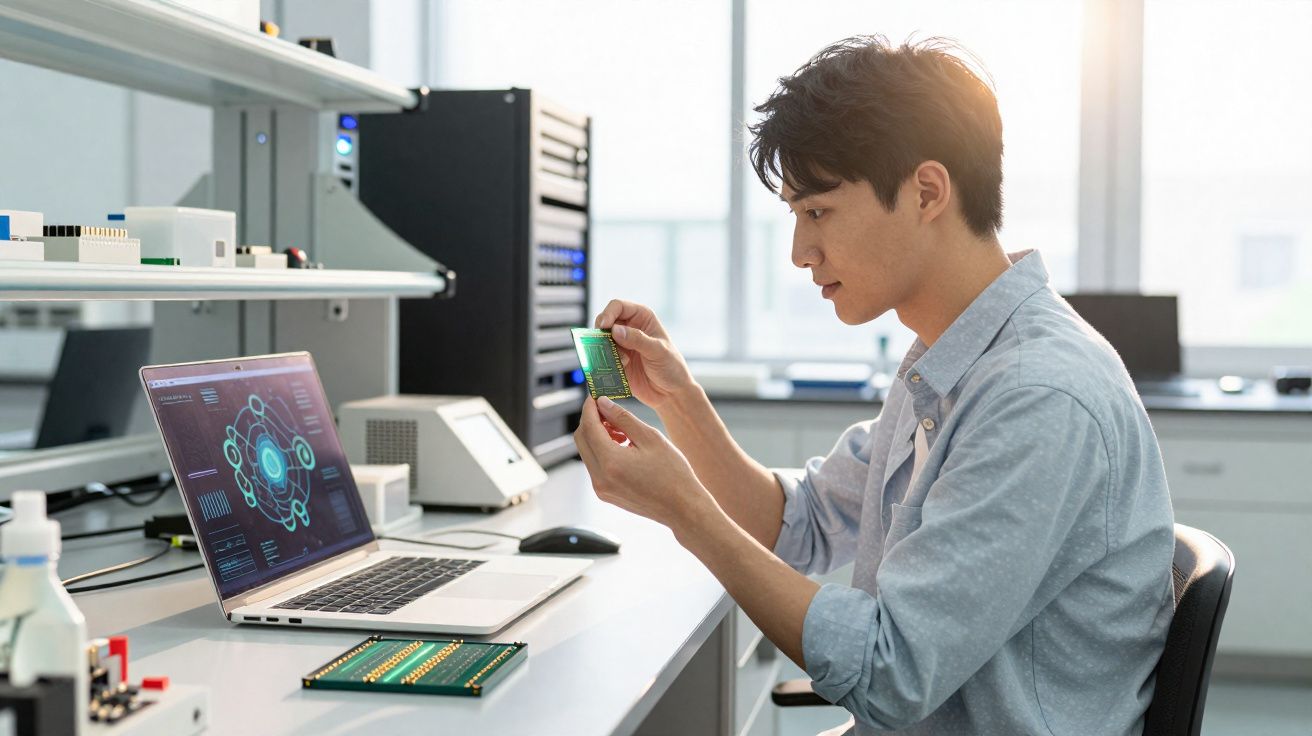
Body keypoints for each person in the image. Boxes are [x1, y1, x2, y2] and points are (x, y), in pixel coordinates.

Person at [573, 35, 1174, 735]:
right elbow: (800, 525)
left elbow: (890, 670)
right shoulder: (950, 359)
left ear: (926, 192)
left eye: (817, 212)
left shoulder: (1037, 397)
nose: (800, 252)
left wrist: (686, 511)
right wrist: (680, 400)